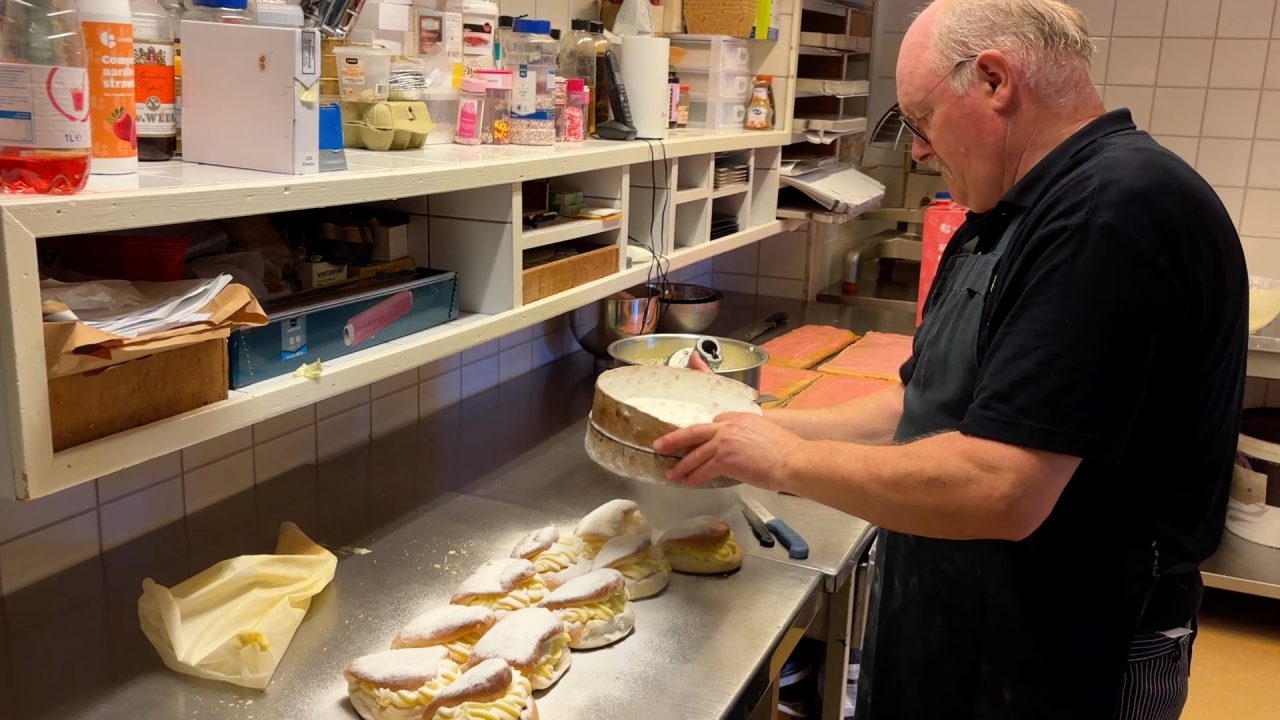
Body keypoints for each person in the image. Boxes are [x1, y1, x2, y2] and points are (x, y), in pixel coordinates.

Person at [655, 1, 1248, 718]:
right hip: (971, 629)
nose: (917, 151)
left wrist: (781, 461)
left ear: (995, 80)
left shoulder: (1112, 216)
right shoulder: (1008, 213)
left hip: (1068, 651)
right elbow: (920, 403)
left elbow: (1004, 488)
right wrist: (750, 426)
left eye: (922, 119)